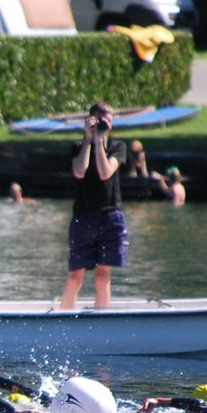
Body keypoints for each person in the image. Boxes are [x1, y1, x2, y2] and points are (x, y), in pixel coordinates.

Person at [60, 100, 129, 310]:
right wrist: (89, 141)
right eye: (102, 119)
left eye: (109, 119)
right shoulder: (78, 147)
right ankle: (64, 319)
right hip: (84, 216)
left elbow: (105, 172)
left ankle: (101, 318)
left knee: (102, 276)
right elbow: (80, 171)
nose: (106, 123)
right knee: (75, 276)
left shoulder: (118, 147)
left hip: (110, 216)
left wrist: (100, 142)